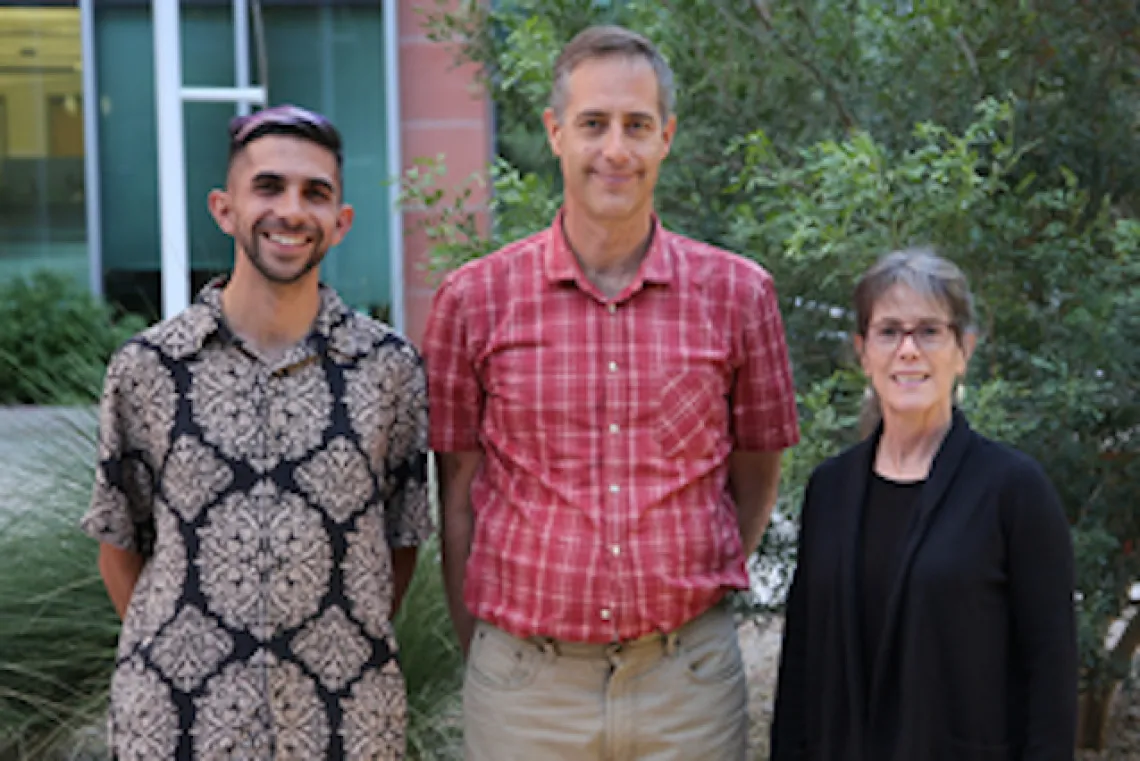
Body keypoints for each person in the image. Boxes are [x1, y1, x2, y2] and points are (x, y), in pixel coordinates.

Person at [423, 24, 799, 761]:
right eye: (593, 124)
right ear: (556, 132)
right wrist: (492, 654)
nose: (615, 149)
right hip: (526, 689)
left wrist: (688, 590)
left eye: (636, 125)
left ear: (667, 136)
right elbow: (458, 492)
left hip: (686, 682)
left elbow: (755, 472)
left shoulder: (739, 295)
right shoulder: (474, 300)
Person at [80, 104, 432, 760]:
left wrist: (331, 642)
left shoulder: (389, 370)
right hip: (175, 723)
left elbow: (397, 543)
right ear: (225, 207)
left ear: (341, 221)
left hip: (344, 722)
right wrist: (189, 654)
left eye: (315, 193)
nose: (291, 210)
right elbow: (120, 546)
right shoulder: (148, 368)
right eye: (268, 187)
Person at [771, 249, 1078, 761]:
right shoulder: (830, 489)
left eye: (930, 331)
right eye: (889, 331)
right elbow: (800, 661)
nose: (908, 350)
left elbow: (1050, 673)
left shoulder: (1014, 490)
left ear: (965, 350)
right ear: (863, 351)